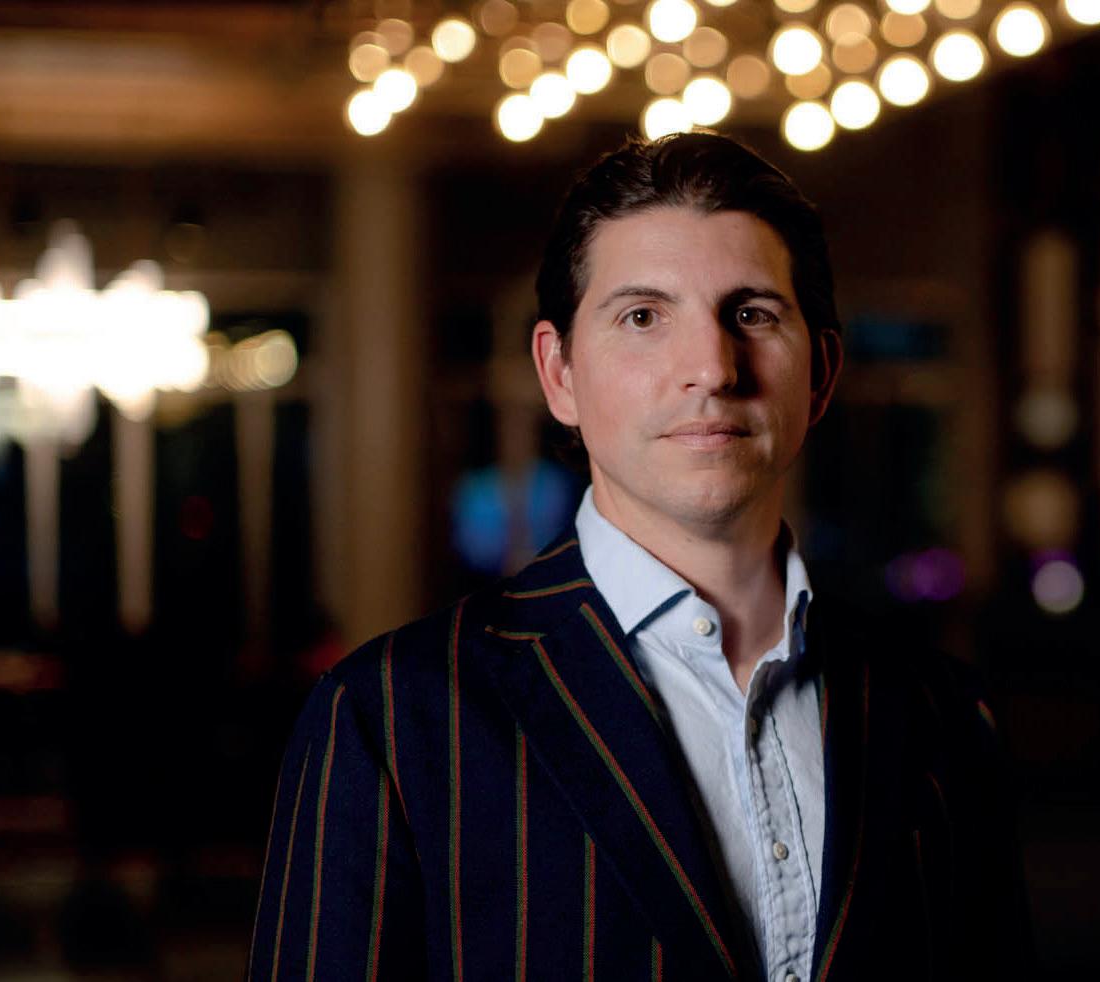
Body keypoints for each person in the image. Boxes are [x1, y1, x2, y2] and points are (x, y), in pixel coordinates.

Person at [248, 133, 1033, 981]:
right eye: (643, 317)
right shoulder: (393, 715)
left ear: (822, 373)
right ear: (559, 374)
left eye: (752, 314)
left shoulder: (940, 710)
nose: (711, 369)